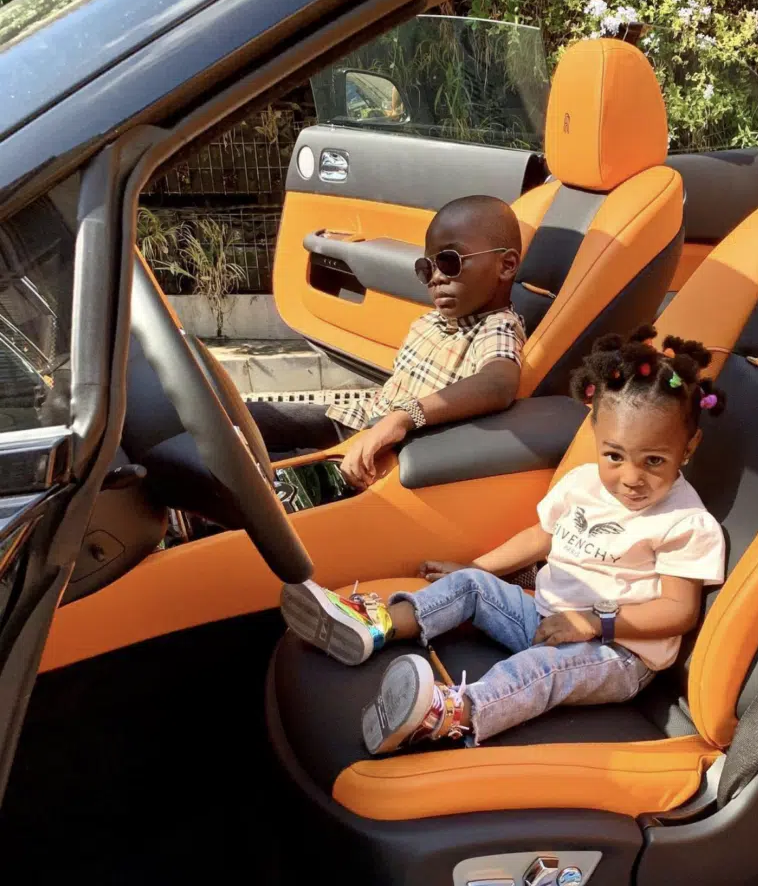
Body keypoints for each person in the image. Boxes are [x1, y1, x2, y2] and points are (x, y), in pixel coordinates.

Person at [279, 327, 728, 753]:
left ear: (688, 448)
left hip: (616, 653)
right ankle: (375, 625)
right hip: (545, 615)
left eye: (654, 461)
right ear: (593, 433)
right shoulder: (583, 484)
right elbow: (542, 536)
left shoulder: (685, 522)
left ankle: (451, 711)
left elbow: (677, 611)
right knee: (471, 586)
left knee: (538, 671)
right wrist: (477, 568)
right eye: (615, 455)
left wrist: (594, 623)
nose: (631, 478)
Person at [248, 195, 526, 486]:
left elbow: (497, 384)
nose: (436, 278)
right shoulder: (430, 322)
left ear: (506, 265)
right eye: (427, 267)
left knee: (268, 472)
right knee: (247, 420)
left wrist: (404, 417)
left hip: (385, 449)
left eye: (449, 261)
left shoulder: (496, 326)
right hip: (360, 420)